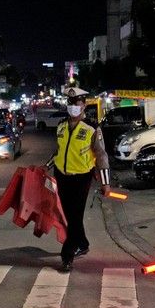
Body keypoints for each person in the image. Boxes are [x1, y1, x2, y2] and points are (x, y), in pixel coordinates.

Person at [48, 86, 111, 273]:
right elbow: (59, 151)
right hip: (62, 176)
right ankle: (82, 243)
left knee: (73, 216)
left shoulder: (92, 128)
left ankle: (67, 255)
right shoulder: (61, 126)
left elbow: (101, 156)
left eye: (76, 102)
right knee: (70, 215)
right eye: (70, 102)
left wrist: (106, 183)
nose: (72, 105)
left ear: (84, 105)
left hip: (82, 178)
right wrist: (47, 165)